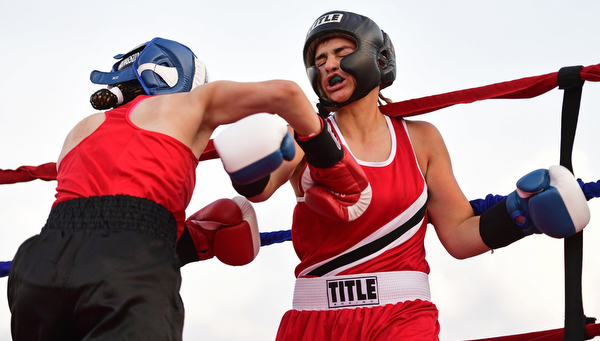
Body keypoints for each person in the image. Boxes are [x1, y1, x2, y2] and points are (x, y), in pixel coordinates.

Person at [214, 11, 591, 340]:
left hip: (401, 315)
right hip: (315, 317)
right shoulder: (307, 136)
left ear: (377, 58)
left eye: (342, 52)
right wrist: (252, 159)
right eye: (320, 59)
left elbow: (459, 235)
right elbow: (260, 190)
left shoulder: (421, 139)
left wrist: (519, 216)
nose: (329, 64)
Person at [7, 37, 322, 341]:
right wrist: (330, 150)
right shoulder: (192, 104)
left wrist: (185, 242)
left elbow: (93, 214)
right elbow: (286, 93)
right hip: (128, 260)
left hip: (38, 263)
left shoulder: (80, 129)